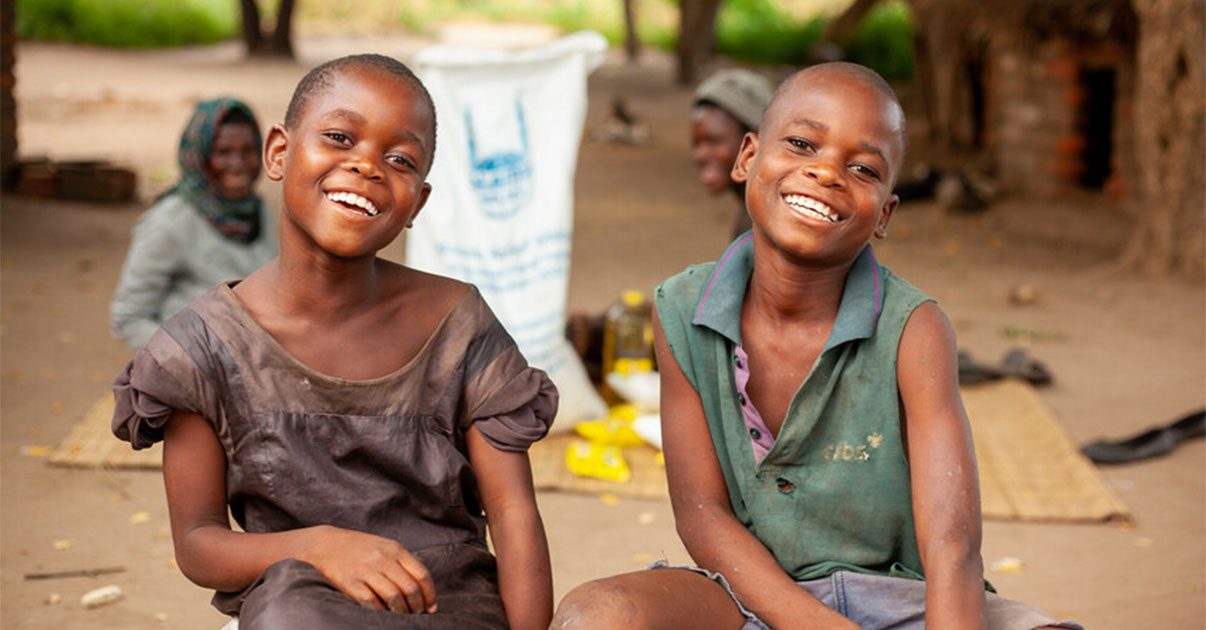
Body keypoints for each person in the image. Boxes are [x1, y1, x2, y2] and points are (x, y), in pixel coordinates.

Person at [551, 63, 1080, 630]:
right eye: (802, 143)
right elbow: (703, 515)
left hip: (908, 600)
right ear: (747, 157)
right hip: (751, 596)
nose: (826, 172)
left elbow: (952, 545)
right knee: (596, 615)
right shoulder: (680, 307)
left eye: (863, 168)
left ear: (886, 214)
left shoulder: (915, 329)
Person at [111, 54, 556, 630]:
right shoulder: (202, 348)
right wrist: (318, 547)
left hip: (450, 604)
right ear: (278, 153)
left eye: (400, 159)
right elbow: (198, 543)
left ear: (418, 201)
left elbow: (514, 512)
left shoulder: (457, 323)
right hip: (299, 603)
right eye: (340, 137)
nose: (366, 166)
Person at [110, 97, 276, 351]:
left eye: (248, 150)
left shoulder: (262, 211)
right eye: (223, 152)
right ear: (199, 156)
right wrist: (192, 362)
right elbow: (129, 317)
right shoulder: (170, 221)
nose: (238, 164)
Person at [691, 69, 775, 241]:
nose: (700, 154)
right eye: (697, 143)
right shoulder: (752, 214)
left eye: (714, 142)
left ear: (752, 145)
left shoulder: (762, 227)